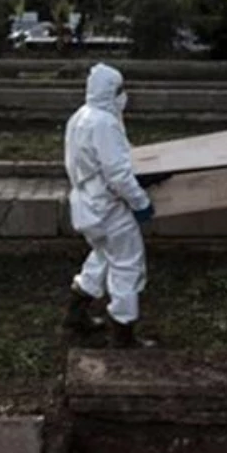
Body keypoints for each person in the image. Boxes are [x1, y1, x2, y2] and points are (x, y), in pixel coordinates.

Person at [62, 63, 157, 348]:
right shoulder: (104, 123)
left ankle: (75, 314)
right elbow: (117, 174)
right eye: (119, 90)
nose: (123, 95)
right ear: (109, 92)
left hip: (86, 205)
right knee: (128, 266)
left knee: (102, 256)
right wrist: (141, 203)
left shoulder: (80, 116)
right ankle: (123, 334)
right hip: (109, 209)